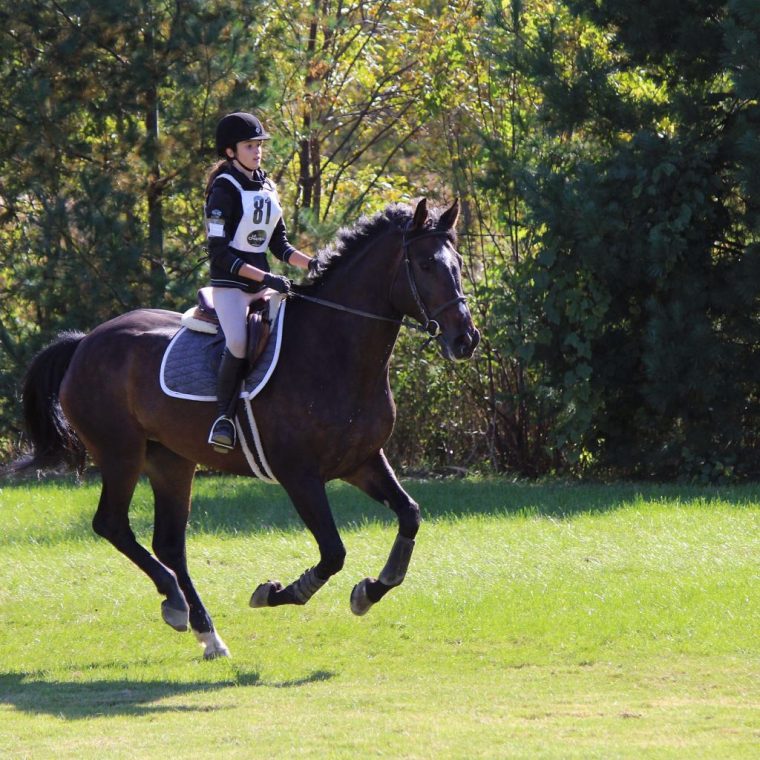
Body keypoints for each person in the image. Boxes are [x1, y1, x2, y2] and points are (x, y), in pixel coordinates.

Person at [204, 111, 317, 452]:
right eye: (249, 145)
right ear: (230, 151)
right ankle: (223, 418)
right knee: (238, 342)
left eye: (259, 145)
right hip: (230, 288)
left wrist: (313, 264)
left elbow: (279, 245)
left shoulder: (266, 186)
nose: (257, 151)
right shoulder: (223, 189)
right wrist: (266, 277)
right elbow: (219, 253)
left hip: (263, 285)